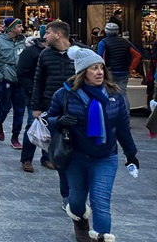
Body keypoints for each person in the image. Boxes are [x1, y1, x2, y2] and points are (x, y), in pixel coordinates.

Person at [48, 47, 138, 242]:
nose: (99, 72)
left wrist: (131, 154)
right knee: (77, 200)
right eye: (93, 68)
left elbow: (123, 127)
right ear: (82, 72)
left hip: (105, 157)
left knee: (101, 201)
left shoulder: (115, 95)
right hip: (76, 156)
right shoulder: (65, 94)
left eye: (101, 68)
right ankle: (80, 219)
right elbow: (50, 120)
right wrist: (60, 121)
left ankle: (101, 236)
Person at [31, 19, 80, 208]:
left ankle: (79, 192)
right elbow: (39, 81)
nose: (44, 37)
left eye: (47, 33)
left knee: (78, 152)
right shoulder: (45, 55)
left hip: (78, 108)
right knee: (61, 152)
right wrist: (36, 107)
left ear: (58, 34)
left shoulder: (81, 52)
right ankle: (67, 195)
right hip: (53, 108)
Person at [0, 17, 26, 148]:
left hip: (20, 80)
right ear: (11, 28)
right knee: (5, 106)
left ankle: (15, 136)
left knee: (20, 109)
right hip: (5, 79)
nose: (22, 28)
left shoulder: (23, 41)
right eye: (19, 26)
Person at [17, 25, 51, 172]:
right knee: (32, 125)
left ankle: (47, 157)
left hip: (51, 95)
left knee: (50, 125)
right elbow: (22, 73)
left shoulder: (55, 53)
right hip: (34, 95)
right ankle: (27, 159)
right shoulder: (30, 52)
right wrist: (31, 89)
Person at [97, 22, 141, 106]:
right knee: (122, 93)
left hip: (109, 72)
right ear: (117, 31)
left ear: (106, 31)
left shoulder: (103, 42)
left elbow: (100, 58)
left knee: (108, 93)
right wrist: (131, 68)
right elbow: (137, 55)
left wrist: (102, 70)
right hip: (123, 71)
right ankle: (126, 115)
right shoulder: (126, 42)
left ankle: (110, 113)